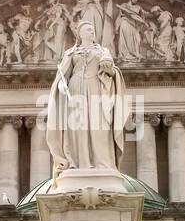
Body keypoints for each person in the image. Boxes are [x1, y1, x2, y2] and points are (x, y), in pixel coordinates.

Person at [46, 20, 126, 173]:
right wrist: (61, 85)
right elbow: (63, 75)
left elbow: (111, 71)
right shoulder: (70, 52)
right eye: (88, 29)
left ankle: (103, 163)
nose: (92, 31)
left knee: (99, 126)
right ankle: (77, 162)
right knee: (77, 127)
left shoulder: (103, 51)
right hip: (75, 88)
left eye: (92, 29)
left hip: (97, 88)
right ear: (80, 34)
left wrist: (110, 70)